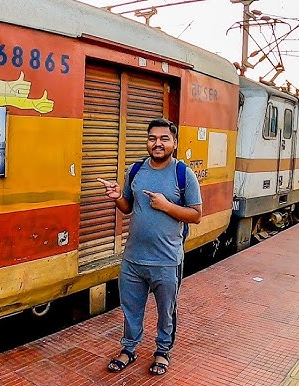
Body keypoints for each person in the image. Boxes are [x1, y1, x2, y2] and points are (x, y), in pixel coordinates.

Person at [98, 118, 202, 376]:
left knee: (166, 312)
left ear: (174, 143)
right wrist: (117, 198)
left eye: (164, 138)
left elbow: (196, 214)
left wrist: (166, 205)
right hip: (133, 260)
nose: (157, 143)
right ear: (147, 141)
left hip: (166, 261)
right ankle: (129, 348)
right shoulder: (135, 171)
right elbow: (128, 208)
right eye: (152, 138)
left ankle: (162, 352)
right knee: (131, 309)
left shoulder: (183, 174)